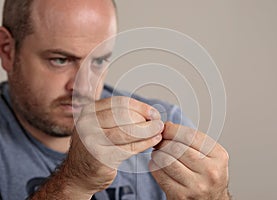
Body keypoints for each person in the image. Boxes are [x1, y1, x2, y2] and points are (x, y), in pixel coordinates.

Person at [0, 0, 231, 199]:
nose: (84, 86)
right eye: (60, 60)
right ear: (7, 50)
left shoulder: (165, 127)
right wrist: (73, 183)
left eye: (99, 61)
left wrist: (215, 197)